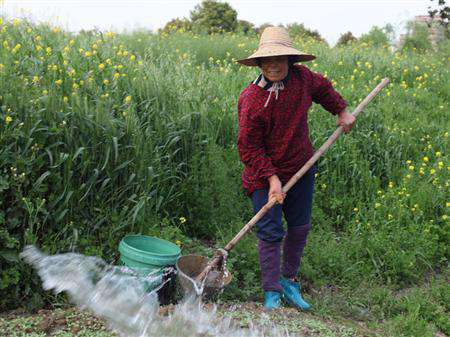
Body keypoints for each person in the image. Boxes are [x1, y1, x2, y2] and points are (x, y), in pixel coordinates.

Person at [236, 26, 355, 311]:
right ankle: (271, 291)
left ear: (291, 60)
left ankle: (289, 281)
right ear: (259, 63)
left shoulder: (303, 79)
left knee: (299, 227)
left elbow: (323, 89)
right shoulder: (251, 100)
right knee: (271, 230)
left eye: (279, 59)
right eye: (267, 60)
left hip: (301, 166)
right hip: (263, 175)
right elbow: (248, 148)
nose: (273, 65)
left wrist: (341, 111)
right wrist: (272, 178)